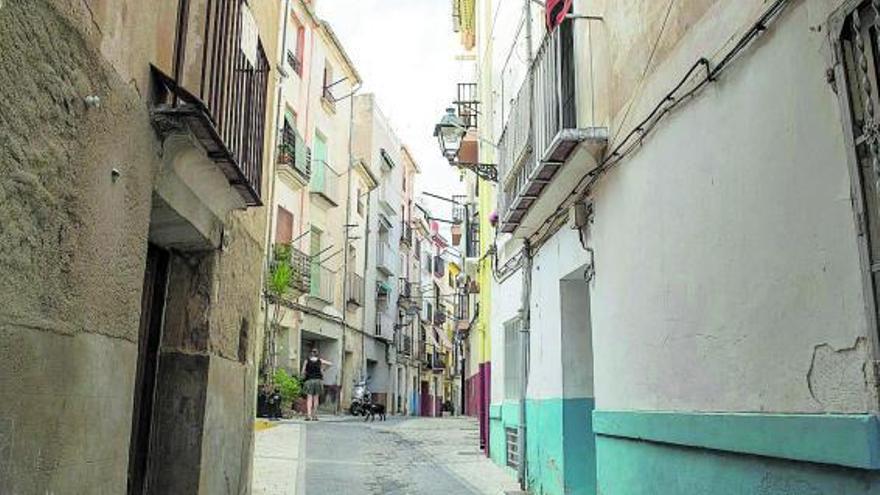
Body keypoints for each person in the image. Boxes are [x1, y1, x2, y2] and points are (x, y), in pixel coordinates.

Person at [301, 348, 332, 421]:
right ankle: (314, 415)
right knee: (316, 398)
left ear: (311, 353)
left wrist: (305, 374)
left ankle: (308, 415)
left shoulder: (307, 361)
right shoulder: (320, 361)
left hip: (309, 380)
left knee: (309, 398)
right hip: (318, 381)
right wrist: (323, 370)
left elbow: (303, 372)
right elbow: (330, 364)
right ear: (317, 354)